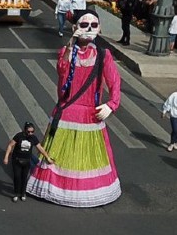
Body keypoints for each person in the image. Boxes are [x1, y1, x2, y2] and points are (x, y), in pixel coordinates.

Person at [26, 11, 122, 208]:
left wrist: (112, 104)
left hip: (90, 114)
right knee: (62, 154)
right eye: (84, 25)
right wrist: (71, 43)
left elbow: (114, 81)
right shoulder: (67, 52)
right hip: (67, 112)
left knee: (86, 155)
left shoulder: (103, 55)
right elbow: (62, 69)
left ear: (100, 28)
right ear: (75, 27)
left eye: (93, 25)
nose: (89, 29)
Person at [4, 122, 51, 203]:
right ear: (24, 130)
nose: (30, 133)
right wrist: (6, 157)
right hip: (16, 160)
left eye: (32, 132)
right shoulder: (19, 136)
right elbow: (10, 145)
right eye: (28, 132)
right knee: (17, 177)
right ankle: (16, 193)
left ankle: (22, 193)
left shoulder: (33, 138)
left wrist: (47, 158)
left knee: (24, 178)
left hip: (27, 161)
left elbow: (40, 148)